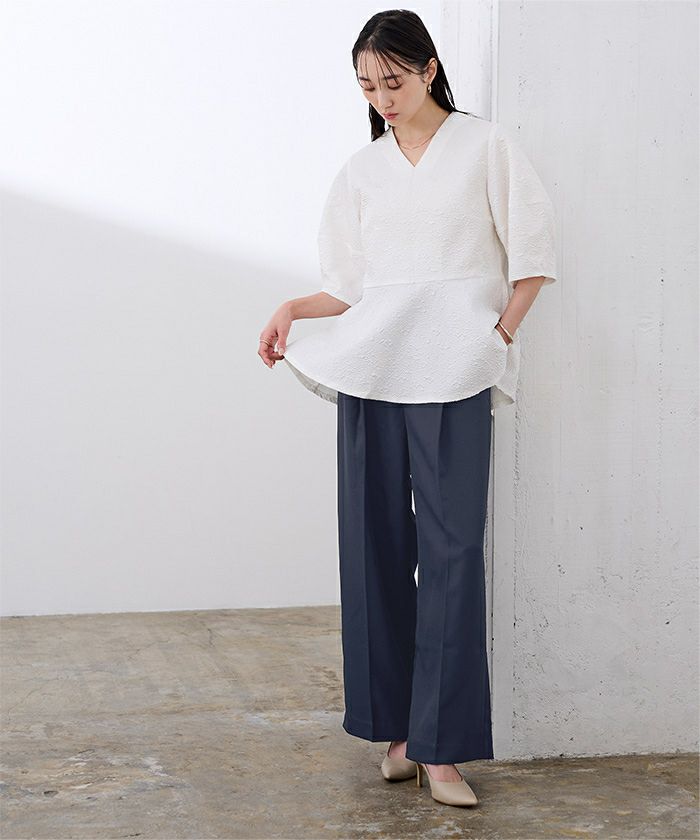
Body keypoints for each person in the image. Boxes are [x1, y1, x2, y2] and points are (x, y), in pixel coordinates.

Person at [258, 10, 558, 809]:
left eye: (393, 80)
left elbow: (532, 257)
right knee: (374, 548)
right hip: (373, 370)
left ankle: (442, 749)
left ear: (428, 69)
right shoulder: (361, 171)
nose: (382, 98)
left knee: (453, 554)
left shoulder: (485, 146)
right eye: (367, 87)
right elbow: (348, 288)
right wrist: (292, 308)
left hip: (455, 372)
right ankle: (395, 733)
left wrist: (497, 336)